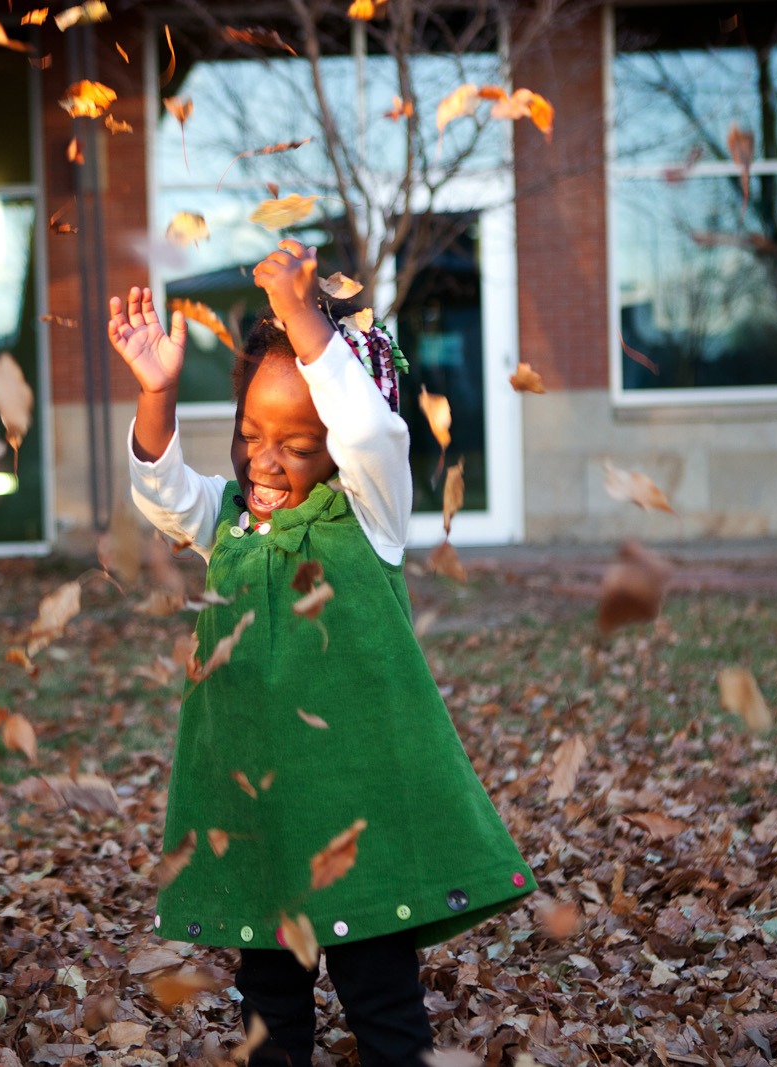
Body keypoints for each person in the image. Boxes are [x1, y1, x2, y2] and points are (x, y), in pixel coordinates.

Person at [111, 240, 537, 1066]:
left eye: (297, 445)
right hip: (262, 813)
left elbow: (372, 427)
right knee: (269, 1006)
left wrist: (303, 318)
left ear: (335, 451)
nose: (265, 460)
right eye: (249, 434)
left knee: (381, 1001)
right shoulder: (229, 521)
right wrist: (156, 394)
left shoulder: (371, 513)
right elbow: (161, 493)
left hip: (358, 819)